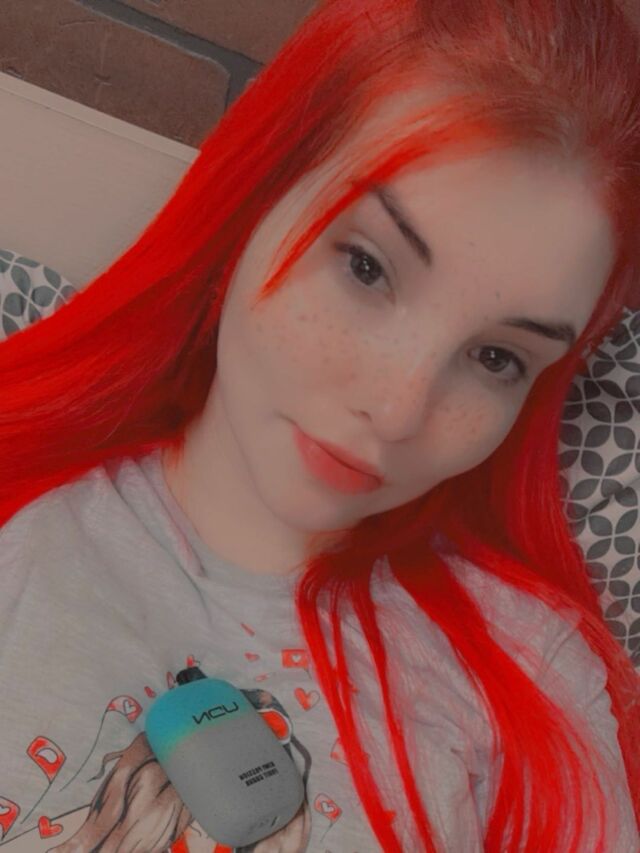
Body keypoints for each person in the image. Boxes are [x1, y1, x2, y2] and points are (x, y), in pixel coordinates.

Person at [1, 0, 639, 850]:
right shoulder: (25, 522)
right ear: (257, 190)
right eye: (367, 266)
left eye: (498, 357)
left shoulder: (535, 674)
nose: (398, 409)